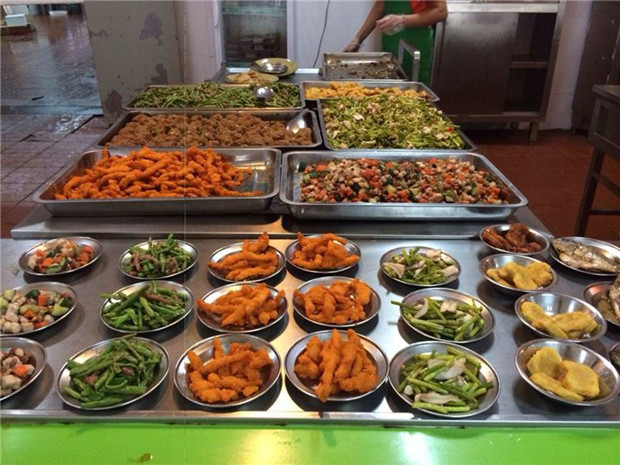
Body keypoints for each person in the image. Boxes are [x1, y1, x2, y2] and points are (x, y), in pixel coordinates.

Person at [344, 0, 448, 85]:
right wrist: (358, 39)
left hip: (415, 47)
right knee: (389, 91)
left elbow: (441, 11)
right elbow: (381, 4)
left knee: (414, 96)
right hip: (391, 45)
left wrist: (402, 20)